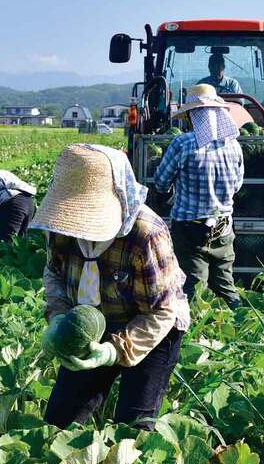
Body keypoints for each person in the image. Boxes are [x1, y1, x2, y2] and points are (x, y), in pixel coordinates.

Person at [30, 144, 190, 429]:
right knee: (58, 422)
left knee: (132, 426)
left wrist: (114, 352)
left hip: (153, 327)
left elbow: (162, 312)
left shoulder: (146, 235)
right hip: (91, 324)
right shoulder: (59, 226)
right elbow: (54, 272)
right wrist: (57, 317)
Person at [154, 84, 245, 307]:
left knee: (192, 288)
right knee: (225, 284)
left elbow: (161, 182)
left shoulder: (182, 143)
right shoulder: (234, 146)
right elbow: (236, 186)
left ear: (192, 115)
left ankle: (191, 334)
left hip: (190, 229)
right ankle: (243, 322)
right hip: (224, 229)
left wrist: (168, 195)